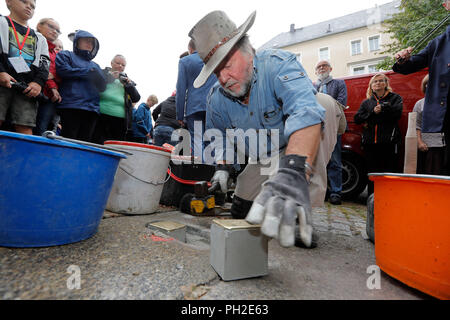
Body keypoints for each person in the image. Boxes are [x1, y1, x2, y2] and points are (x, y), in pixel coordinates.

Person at [189, 11, 345, 248]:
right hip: (265, 153)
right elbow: (219, 137)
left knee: (321, 104)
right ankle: (275, 188)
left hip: (298, 145)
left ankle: (301, 207)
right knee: (242, 212)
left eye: (227, 65)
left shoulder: (278, 65)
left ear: (248, 51)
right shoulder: (216, 99)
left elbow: (305, 111)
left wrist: (292, 172)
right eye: (215, 72)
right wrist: (222, 169)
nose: (223, 78)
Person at [393, 0, 450, 175]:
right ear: (445, 6)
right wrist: (403, 59)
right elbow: (410, 65)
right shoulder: (438, 43)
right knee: (438, 168)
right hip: (439, 121)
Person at [0, 0, 50, 135]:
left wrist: (38, 83)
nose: (29, 6)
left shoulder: (40, 38)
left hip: (26, 88)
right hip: (2, 82)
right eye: (24, 1)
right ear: (9, 2)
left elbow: (45, 62)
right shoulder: (1, 22)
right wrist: (1, 71)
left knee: (25, 126)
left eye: (33, 6)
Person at [354, 73, 403, 195]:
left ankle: (389, 198)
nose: (378, 83)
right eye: (375, 82)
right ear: (371, 86)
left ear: (386, 84)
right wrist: (372, 112)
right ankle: (372, 199)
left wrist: (384, 109)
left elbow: (397, 114)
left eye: (381, 81)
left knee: (388, 172)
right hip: (370, 143)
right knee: (372, 173)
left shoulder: (395, 98)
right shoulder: (367, 102)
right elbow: (357, 118)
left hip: (388, 143)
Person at [55, 30, 106, 142]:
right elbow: (63, 71)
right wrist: (88, 72)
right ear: (77, 42)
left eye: (92, 42)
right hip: (71, 105)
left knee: (85, 142)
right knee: (68, 140)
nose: (89, 44)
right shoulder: (65, 55)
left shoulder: (95, 65)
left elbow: (102, 87)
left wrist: (100, 77)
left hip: (92, 109)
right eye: (86, 40)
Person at [176, 39, 217, 160]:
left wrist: (179, 115)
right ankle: (213, 173)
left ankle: (200, 173)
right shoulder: (214, 59)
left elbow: (181, 89)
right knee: (213, 141)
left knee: (198, 141)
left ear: (190, 49)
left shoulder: (185, 61)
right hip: (214, 106)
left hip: (194, 108)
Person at [314, 60, 348, 205]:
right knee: (317, 160)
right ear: (316, 71)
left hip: (332, 126)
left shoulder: (339, 84)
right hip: (315, 127)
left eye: (324, 66)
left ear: (330, 68)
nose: (321, 68)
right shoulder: (312, 86)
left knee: (334, 160)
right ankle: (322, 190)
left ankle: (335, 192)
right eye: (319, 67)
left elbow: (340, 103)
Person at [92, 54, 140, 144]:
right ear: (111, 63)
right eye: (118, 63)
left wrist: (129, 85)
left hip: (120, 120)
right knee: (96, 143)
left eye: (123, 65)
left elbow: (136, 98)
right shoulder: (102, 73)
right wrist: (110, 77)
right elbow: (94, 87)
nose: (120, 66)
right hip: (100, 116)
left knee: (114, 146)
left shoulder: (127, 80)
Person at [33, 18, 62, 137]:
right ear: (39, 25)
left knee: (42, 129)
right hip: (31, 90)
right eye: (51, 26)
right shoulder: (31, 41)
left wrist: (53, 77)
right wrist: (52, 83)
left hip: (48, 97)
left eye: (58, 30)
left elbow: (58, 74)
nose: (54, 31)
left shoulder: (56, 55)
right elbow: (44, 72)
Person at [413, 75, 446, 175]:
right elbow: (416, 125)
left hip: (445, 147)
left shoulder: (445, 102)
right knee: (430, 175)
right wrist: (419, 142)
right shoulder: (420, 104)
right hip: (428, 147)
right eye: (427, 84)